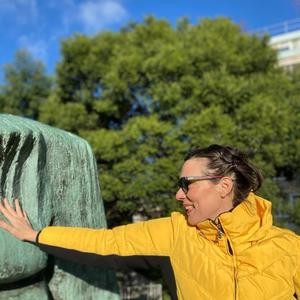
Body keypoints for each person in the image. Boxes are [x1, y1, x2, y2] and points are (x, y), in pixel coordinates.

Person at [0, 144, 299, 299]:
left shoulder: (289, 247)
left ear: (223, 185)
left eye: (187, 184)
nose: (178, 195)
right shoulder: (175, 233)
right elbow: (106, 243)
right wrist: (36, 235)